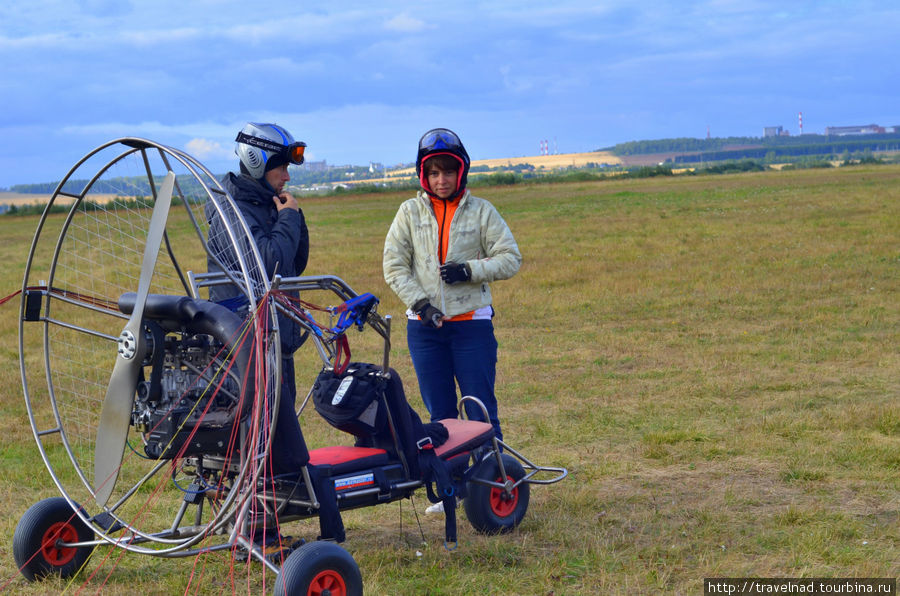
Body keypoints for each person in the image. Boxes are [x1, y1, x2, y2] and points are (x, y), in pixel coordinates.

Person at [383, 127, 522, 453]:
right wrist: (421, 306)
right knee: (441, 417)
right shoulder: (408, 212)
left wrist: (469, 271)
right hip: (425, 330)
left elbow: (510, 259)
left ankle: (493, 486)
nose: (441, 180)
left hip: (472, 326)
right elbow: (394, 266)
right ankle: (452, 490)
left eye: (448, 171)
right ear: (423, 175)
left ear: (461, 171)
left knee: (480, 411)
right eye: (433, 173)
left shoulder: (482, 211)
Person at [207, 122, 310, 478]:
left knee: (278, 437)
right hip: (247, 344)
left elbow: (295, 261)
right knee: (254, 436)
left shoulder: (267, 203)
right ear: (257, 163)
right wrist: (289, 218)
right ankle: (256, 525)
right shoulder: (229, 209)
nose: (287, 177)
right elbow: (269, 265)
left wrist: (290, 218)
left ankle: (271, 518)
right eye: (281, 167)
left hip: (273, 339)